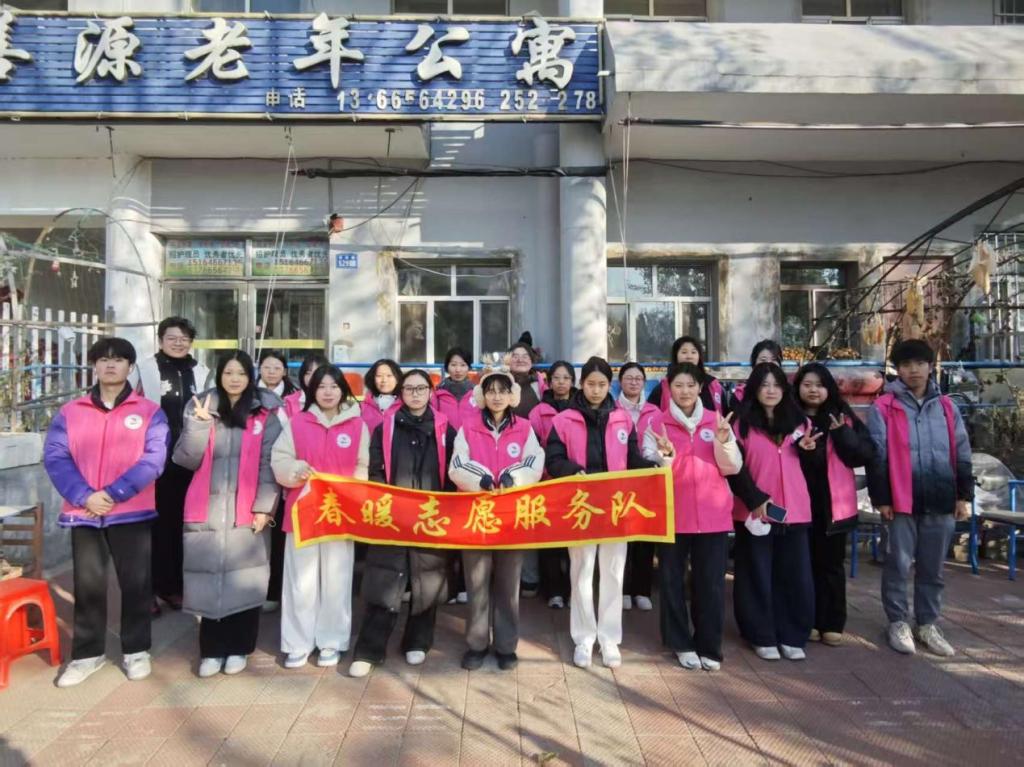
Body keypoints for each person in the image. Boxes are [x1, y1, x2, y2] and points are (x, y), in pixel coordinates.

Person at [44, 337, 169, 687]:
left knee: (136, 584)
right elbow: (56, 456)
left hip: (131, 511)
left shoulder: (150, 412)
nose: (110, 365)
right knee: (88, 586)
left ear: (130, 367)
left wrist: (114, 494)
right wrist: (84, 496)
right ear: (94, 366)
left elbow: (154, 459)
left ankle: (137, 650)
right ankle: (87, 655)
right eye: (103, 359)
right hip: (84, 512)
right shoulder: (71, 412)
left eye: (118, 360)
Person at [173, 350, 282, 678]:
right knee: (208, 579)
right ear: (219, 375)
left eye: (241, 373)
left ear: (250, 377)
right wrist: (198, 425)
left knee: (245, 579)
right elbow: (185, 459)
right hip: (206, 507)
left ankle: (240, 647)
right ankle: (211, 649)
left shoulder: (265, 412)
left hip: (247, 509)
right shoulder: (200, 406)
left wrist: (264, 507)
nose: (234, 379)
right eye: (228, 372)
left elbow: (270, 463)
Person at [545, 356, 658, 669]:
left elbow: (633, 460)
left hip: (615, 507)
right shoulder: (563, 420)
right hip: (581, 506)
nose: (596, 390)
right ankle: (583, 638)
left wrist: (656, 464)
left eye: (602, 384)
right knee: (582, 571)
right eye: (591, 384)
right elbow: (553, 460)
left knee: (613, 572)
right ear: (581, 384)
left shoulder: (622, 419)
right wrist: (572, 470)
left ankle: (609, 639)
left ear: (611, 385)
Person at [867, 339, 972, 657]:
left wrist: (963, 496)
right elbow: (877, 456)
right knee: (897, 564)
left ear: (930, 367)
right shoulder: (884, 407)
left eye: (919, 363)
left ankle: (927, 623)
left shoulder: (947, 408)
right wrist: (882, 498)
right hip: (901, 499)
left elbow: (962, 453)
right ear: (897, 370)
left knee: (933, 567)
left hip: (941, 497)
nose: (913, 370)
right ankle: (898, 621)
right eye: (906, 364)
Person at [349, 369, 457, 677]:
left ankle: (417, 641)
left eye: (421, 388)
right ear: (401, 393)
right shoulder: (385, 427)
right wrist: (385, 500)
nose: (415, 394)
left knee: (428, 579)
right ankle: (369, 650)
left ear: (430, 392)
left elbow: (454, 471)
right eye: (409, 389)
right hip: (393, 516)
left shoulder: (445, 428)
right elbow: (374, 469)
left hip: (430, 517)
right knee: (383, 579)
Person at [643, 363, 741, 671]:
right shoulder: (656, 422)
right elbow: (649, 469)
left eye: (690, 385)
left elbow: (732, 467)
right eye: (678, 385)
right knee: (672, 581)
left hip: (713, 514)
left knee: (710, 584)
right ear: (668, 388)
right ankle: (680, 643)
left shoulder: (717, 421)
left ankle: (709, 645)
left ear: (700, 387)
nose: (684, 391)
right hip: (672, 513)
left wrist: (724, 442)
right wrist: (664, 457)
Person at [272, 366, 368, 669]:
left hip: (340, 514)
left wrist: (352, 491)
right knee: (300, 581)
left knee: (337, 580)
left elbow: (363, 466)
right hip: (303, 513)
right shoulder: (297, 422)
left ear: (343, 390)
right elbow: (279, 460)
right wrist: (295, 470)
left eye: (334, 386)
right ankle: (297, 643)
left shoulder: (357, 425)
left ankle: (332, 641)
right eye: (321, 386)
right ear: (312, 390)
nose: (328, 392)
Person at [450, 369, 544, 671]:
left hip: (511, 517)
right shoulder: (467, 426)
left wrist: (511, 477)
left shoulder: (525, 428)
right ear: (482, 395)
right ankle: (476, 644)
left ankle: (506, 646)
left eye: (503, 390)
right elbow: (457, 465)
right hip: (475, 517)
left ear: (512, 395)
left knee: (508, 585)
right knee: (476, 584)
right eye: (491, 390)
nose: (497, 396)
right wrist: (482, 480)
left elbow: (534, 462)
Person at [729, 362, 817, 662]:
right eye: (764, 384)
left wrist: (809, 450)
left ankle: (792, 634)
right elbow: (734, 469)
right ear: (754, 388)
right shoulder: (740, 424)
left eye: (776, 385)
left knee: (794, 574)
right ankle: (760, 634)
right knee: (755, 574)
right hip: (755, 511)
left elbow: (812, 465)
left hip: (795, 510)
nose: (770, 390)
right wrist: (754, 499)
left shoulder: (800, 422)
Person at [132, 316, 209, 615]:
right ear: (161, 340)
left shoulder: (201, 372)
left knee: (180, 525)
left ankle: (172, 586)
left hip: (189, 461)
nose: (178, 343)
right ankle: (147, 591)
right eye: (172, 338)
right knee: (150, 528)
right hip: (153, 460)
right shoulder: (144, 369)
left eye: (184, 338)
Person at [794, 363, 875, 647]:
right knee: (802, 566)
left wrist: (843, 435)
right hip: (799, 504)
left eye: (819, 385)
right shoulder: (790, 418)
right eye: (807, 384)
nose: (813, 390)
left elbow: (864, 454)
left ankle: (831, 622)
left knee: (830, 565)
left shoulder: (842, 417)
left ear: (828, 388)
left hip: (833, 504)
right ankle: (806, 620)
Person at [528, 361, 576, 610]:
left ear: (573, 381)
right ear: (548, 381)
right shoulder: (538, 411)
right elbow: (533, 445)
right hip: (547, 481)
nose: (561, 382)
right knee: (549, 539)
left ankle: (573, 590)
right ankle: (554, 591)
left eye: (566, 378)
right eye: (556, 378)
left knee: (574, 539)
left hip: (575, 482)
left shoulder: (579, 408)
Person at [258, 350, 301, 614]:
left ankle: (277, 589)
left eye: (277, 368)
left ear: (285, 371)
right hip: (258, 470)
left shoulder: (294, 398)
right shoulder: (251, 395)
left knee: (280, 535)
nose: (272, 372)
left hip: (286, 471)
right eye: (267, 367)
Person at [617, 362, 661, 612]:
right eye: (629, 378)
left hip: (647, 480)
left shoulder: (655, 411)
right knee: (623, 535)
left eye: (638, 378)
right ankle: (623, 589)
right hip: (620, 480)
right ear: (620, 382)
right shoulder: (613, 409)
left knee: (645, 533)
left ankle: (642, 590)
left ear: (644, 382)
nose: (634, 382)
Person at [508, 335, 546, 597]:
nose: (520, 359)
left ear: (532, 361)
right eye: (515, 356)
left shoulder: (541, 385)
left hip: (532, 455)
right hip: (502, 454)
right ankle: (505, 577)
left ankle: (530, 577)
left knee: (529, 516)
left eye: (525, 356)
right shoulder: (499, 382)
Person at [646, 336, 726, 414]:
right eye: (684, 352)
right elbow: (650, 415)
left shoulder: (712, 385)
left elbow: (725, 414)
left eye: (693, 352)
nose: (689, 357)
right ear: (676, 355)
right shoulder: (664, 387)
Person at [432, 346, 474, 431]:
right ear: (447, 367)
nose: (458, 370)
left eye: (463, 365)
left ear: (469, 367)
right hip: (445, 438)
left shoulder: (477, 393)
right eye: (453, 365)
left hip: (470, 438)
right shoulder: (438, 393)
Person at [732, 339, 784, 406]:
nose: (768, 363)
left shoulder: (789, 392)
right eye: (763, 360)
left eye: (773, 359)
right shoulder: (741, 394)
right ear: (754, 364)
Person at [361, 358, 402, 434]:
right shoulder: (361, 408)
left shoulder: (406, 405)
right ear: (373, 379)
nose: (384, 380)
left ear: (397, 379)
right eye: (379, 376)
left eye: (389, 376)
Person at [283, 353, 330, 419]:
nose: (312, 377)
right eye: (308, 373)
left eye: (316, 373)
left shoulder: (333, 399)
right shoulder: (289, 402)